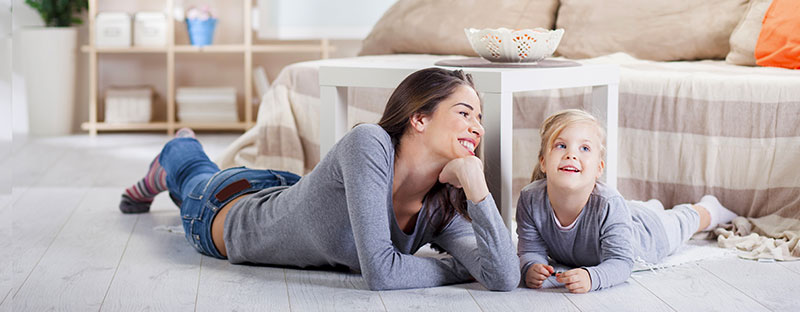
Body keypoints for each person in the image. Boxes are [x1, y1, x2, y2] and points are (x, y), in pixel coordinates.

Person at [119, 67, 519, 291]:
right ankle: (173, 154)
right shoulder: (369, 142)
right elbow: (381, 273)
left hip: (288, 190)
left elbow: (503, 277)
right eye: (465, 113)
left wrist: (477, 188)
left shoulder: (441, 205)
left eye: (480, 118)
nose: (478, 128)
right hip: (222, 211)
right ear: (419, 118)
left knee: (206, 176)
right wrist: (457, 268)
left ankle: (173, 166)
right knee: (193, 172)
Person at [516, 109, 737, 293]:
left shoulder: (608, 203)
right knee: (632, 210)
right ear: (543, 162)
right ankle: (649, 207)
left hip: (647, 235)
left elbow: (621, 263)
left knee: (682, 221)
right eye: (561, 145)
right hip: (624, 213)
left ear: (598, 169)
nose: (571, 154)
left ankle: (710, 208)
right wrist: (532, 266)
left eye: (584, 148)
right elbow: (530, 249)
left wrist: (593, 277)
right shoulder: (530, 199)